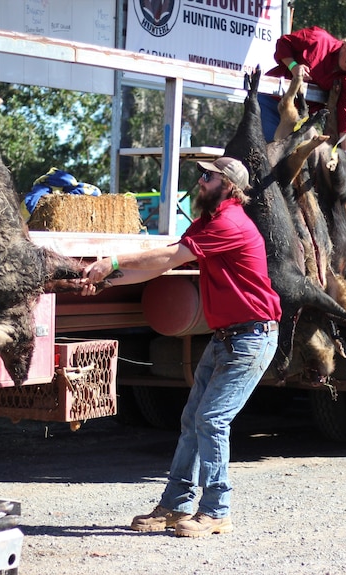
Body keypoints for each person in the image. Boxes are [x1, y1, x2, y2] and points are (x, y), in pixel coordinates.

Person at [81, 156, 281, 538]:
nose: (200, 182)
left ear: (227, 185)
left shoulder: (229, 222)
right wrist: (109, 279)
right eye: (201, 175)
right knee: (193, 421)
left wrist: (114, 261)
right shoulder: (209, 221)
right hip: (228, 338)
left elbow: (169, 257)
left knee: (211, 420)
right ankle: (175, 506)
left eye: (207, 177)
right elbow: (160, 266)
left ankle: (216, 511)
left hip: (250, 338)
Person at [258, 27, 346, 152]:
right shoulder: (318, 39)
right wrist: (294, 66)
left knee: (293, 158)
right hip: (271, 101)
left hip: (300, 117)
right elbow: (284, 43)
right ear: (345, 46)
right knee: (268, 152)